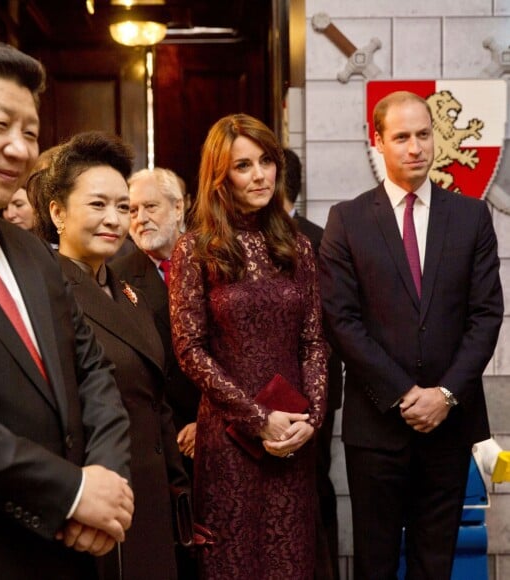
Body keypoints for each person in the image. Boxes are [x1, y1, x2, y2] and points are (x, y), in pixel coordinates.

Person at [0, 38, 134, 580]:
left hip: (71, 550)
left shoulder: (31, 252)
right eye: (0, 125)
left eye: (30, 133)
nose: (20, 150)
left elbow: (93, 372)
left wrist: (105, 484)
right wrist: (69, 491)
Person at [318, 90, 504, 579]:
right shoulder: (348, 219)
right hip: (377, 427)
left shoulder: (470, 217)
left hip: (448, 425)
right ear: (377, 141)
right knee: (374, 563)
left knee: (434, 563)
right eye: (401, 137)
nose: (416, 147)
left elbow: (486, 316)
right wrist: (405, 394)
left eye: (424, 134)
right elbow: (341, 320)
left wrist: (443, 394)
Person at [169, 113, 330, 579]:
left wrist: (311, 421)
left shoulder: (297, 248)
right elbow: (190, 349)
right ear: (220, 176)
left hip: (291, 443)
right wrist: (258, 419)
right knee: (231, 563)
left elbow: (314, 341)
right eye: (243, 165)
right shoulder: (195, 248)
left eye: (266, 161)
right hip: (229, 442)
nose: (259, 175)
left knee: (291, 560)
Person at [31, 131, 190, 580]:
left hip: (151, 493)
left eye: (124, 207)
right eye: (98, 205)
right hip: (95, 501)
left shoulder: (128, 292)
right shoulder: (46, 292)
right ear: (58, 212)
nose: (116, 219)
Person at [110, 167, 201, 580]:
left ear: (179, 206)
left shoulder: (213, 259)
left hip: (220, 428)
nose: (139, 218)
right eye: (131, 210)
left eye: (150, 207)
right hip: (159, 441)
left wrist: (209, 419)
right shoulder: (117, 277)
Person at [283, 148, 342, 580]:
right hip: (318, 390)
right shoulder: (323, 235)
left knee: (309, 487)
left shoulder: (313, 241)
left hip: (304, 389)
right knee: (317, 485)